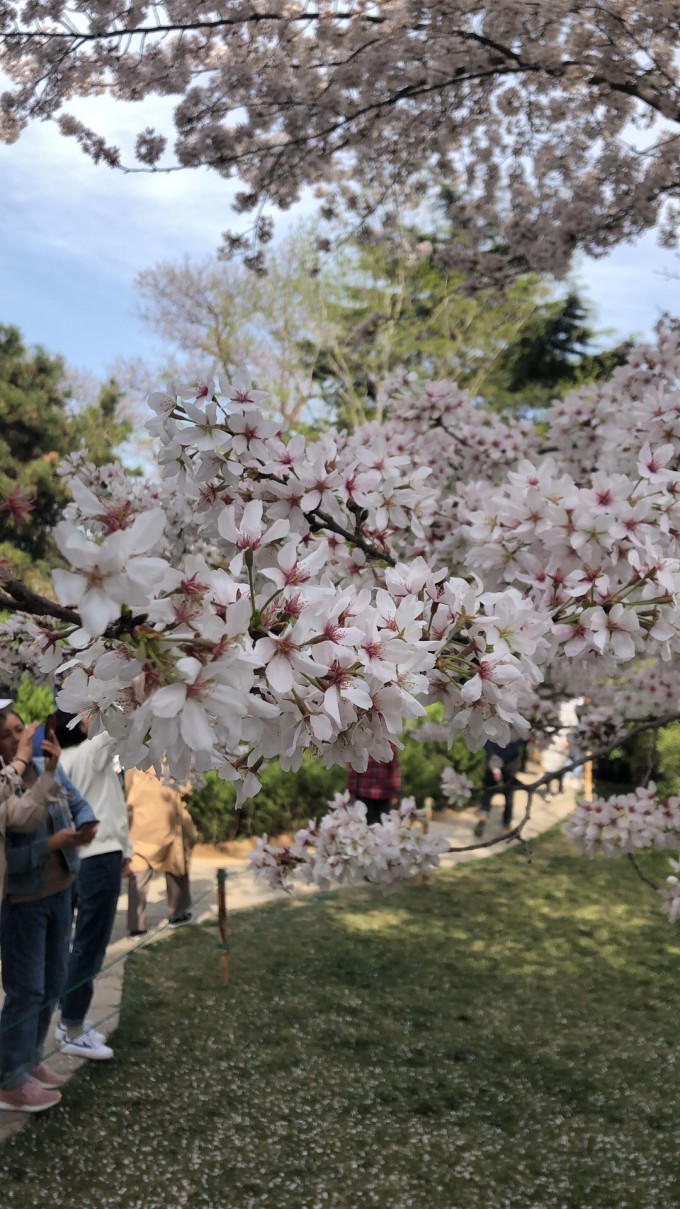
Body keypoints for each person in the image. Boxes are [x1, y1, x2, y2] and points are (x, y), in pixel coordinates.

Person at [0, 708, 97, 1113]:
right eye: (6, 735)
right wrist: (52, 845)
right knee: (27, 991)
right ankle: (9, 1077)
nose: (19, 738)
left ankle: (31, 1060)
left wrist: (87, 823)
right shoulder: (5, 785)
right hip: (23, 901)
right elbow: (11, 855)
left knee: (54, 982)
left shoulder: (43, 763)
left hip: (61, 891)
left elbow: (75, 800)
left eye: (20, 729)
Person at [53, 711, 132, 1062]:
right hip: (99, 856)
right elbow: (120, 725)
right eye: (86, 715)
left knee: (78, 942)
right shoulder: (90, 752)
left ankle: (70, 1019)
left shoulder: (62, 763)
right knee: (91, 943)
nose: (92, 719)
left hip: (81, 857)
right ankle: (71, 1026)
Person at [125, 767, 197, 936]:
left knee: (138, 871)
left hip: (140, 819)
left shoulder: (135, 758)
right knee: (176, 864)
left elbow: (128, 785)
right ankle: (178, 913)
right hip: (167, 817)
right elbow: (186, 787)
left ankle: (136, 926)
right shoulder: (172, 754)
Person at [474, 739, 524, 838]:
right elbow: (517, 744)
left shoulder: (494, 728)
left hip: (494, 765)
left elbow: (486, 742)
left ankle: (484, 813)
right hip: (508, 768)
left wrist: (493, 756)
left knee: (487, 793)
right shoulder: (513, 731)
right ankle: (505, 825)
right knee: (508, 798)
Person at [347, 748, 401, 826]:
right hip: (364, 794)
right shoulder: (360, 745)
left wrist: (395, 792)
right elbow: (353, 769)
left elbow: (394, 769)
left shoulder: (389, 746)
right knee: (364, 824)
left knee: (384, 825)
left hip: (383, 794)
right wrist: (351, 791)